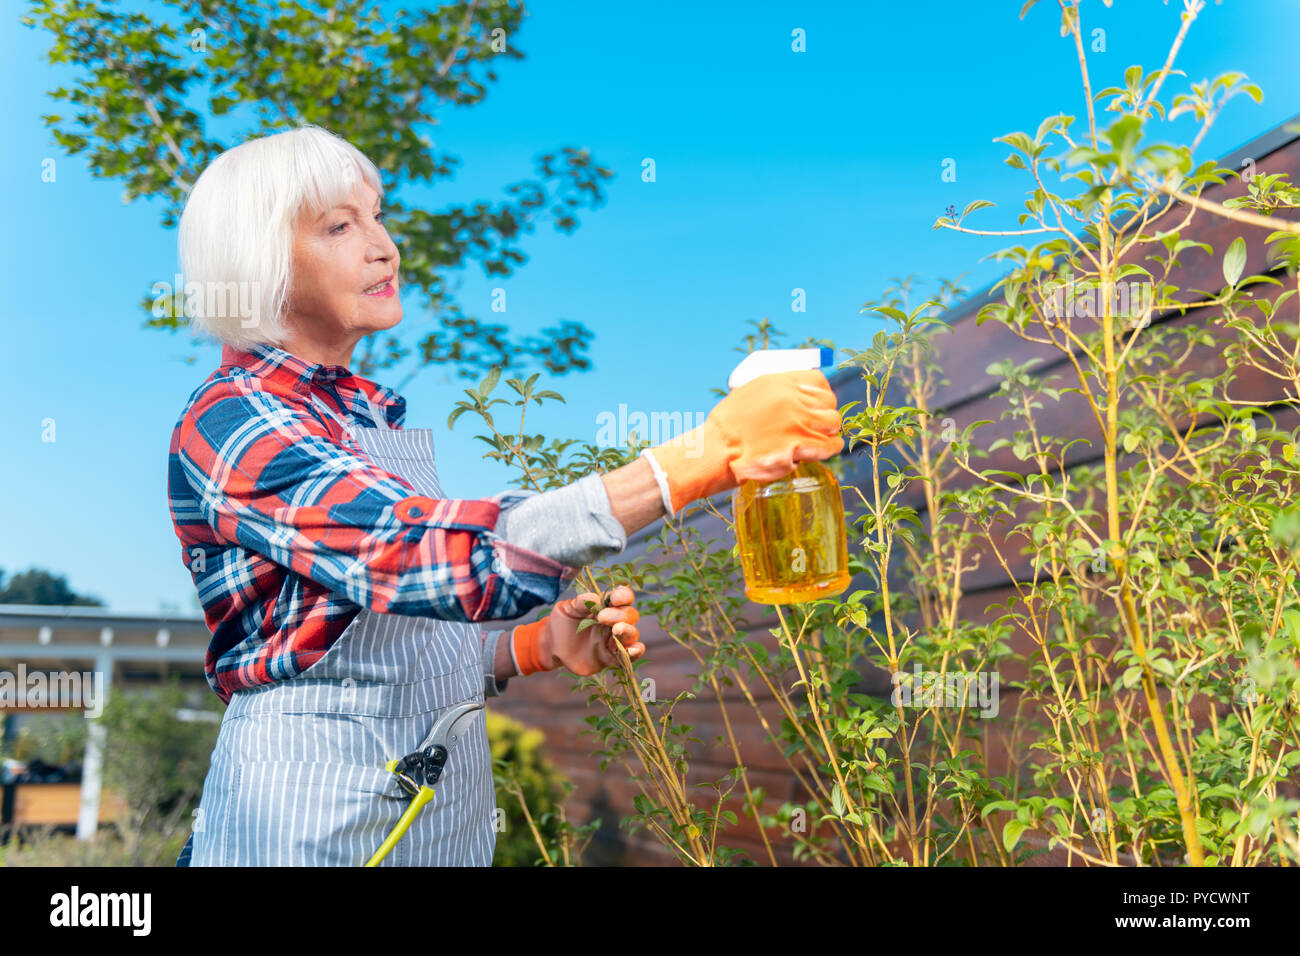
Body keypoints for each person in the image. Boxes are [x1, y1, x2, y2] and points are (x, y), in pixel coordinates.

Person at [167, 123, 844, 866]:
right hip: (301, 828)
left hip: (424, 821)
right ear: (259, 262)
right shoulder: (233, 419)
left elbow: (383, 640)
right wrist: (697, 460)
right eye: (339, 225)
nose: (384, 245)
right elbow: (416, 553)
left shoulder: (358, 417)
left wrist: (532, 646)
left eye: (377, 215)